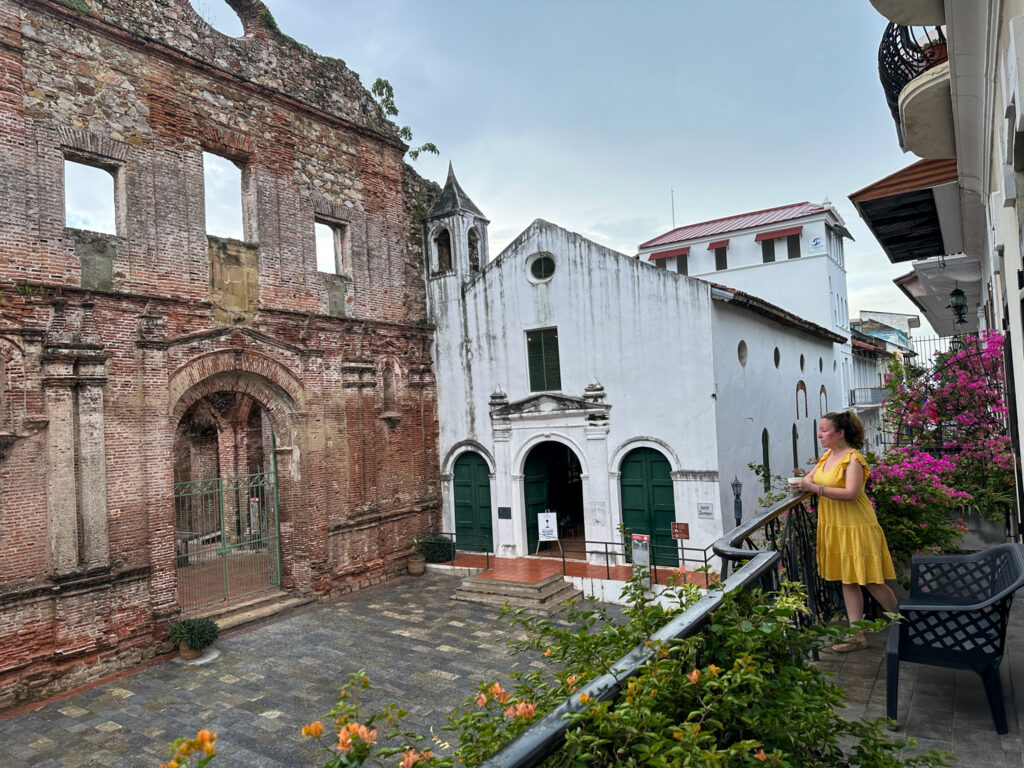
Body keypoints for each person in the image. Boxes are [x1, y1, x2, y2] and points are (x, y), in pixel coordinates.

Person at [796, 410, 899, 652]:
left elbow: (851, 493)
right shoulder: (827, 457)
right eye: (819, 430)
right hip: (836, 526)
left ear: (840, 433)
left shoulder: (853, 459)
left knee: (872, 580)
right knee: (848, 581)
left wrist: (815, 488)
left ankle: (904, 623)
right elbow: (809, 480)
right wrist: (802, 485)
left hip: (856, 526)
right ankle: (857, 636)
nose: (819, 435)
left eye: (824, 430)